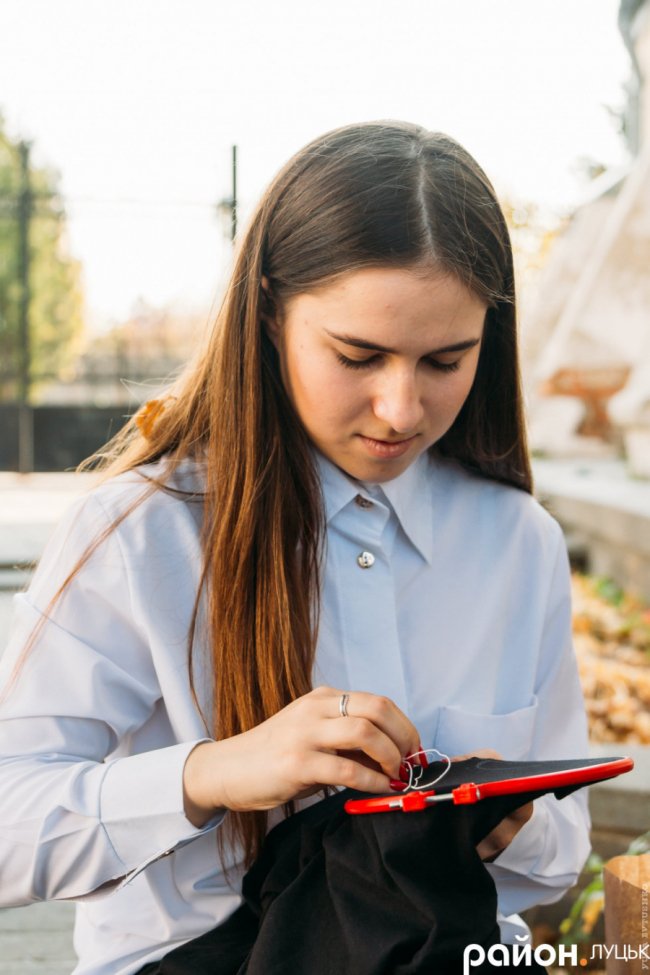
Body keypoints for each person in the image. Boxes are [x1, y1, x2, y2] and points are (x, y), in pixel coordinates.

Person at [0, 120, 590, 975]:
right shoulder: (139, 534)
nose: (400, 408)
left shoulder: (517, 542)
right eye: (359, 355)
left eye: (444, 361)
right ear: (271, 312)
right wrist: (212, 774)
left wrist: (513, 818)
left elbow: (563, 852)